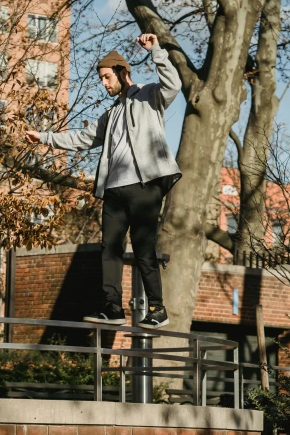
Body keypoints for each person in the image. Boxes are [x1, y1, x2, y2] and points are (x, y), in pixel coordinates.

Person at [25, 34, 181, 329]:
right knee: (109, 247)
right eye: (101, 79)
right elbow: (82, 139)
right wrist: (43, 137)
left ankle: (158, 309)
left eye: (107, 77)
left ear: (122, 73)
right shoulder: (110, 115)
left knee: (143, 246)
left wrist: (155, 50)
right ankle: (112, 308)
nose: (104, 84)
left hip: (144, 185)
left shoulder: (149, 96)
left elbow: (173, 84)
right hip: (114, 190)